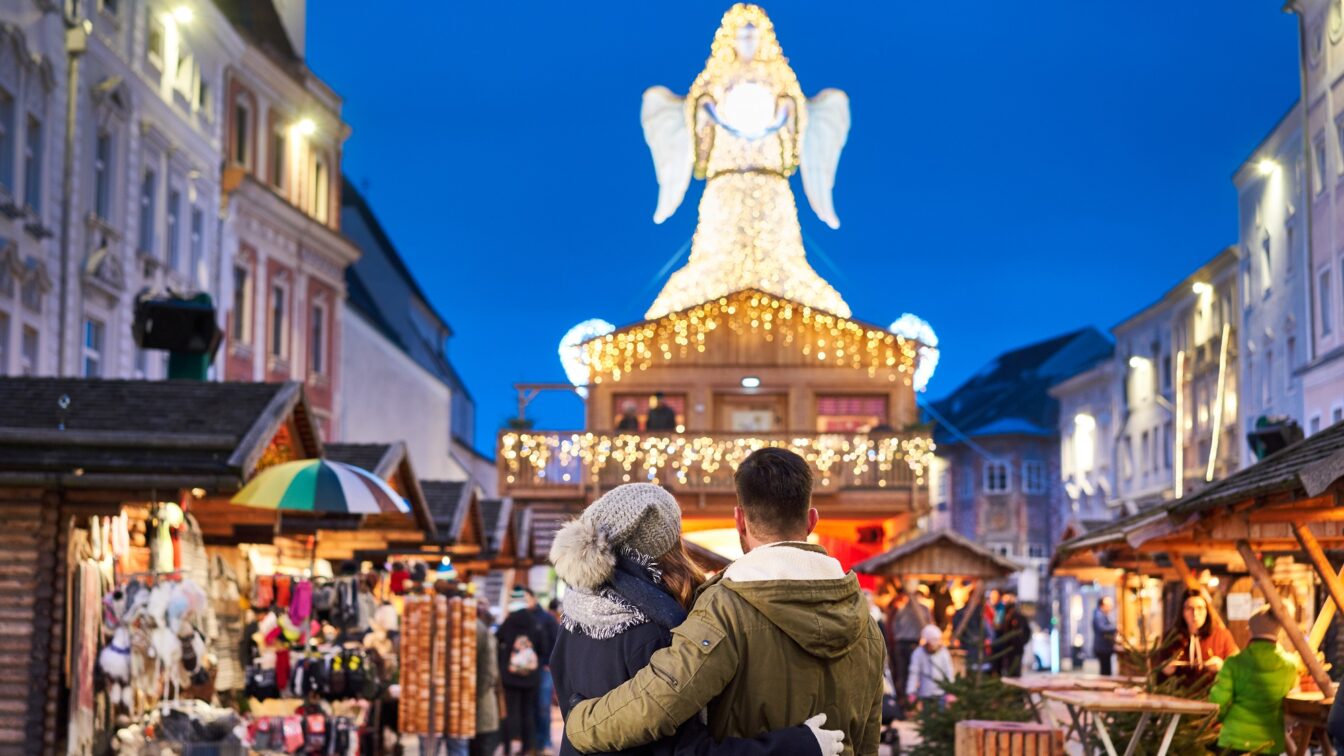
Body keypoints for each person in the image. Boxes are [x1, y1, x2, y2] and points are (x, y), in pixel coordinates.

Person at [564, 447, 886, 755]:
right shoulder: (866, 623)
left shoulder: (725, 609)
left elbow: (658, 702)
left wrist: (580, 722)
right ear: (812, 520)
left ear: (739, 520)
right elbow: (868, 740)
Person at [1208, 607, 1298, 754]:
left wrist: (1221, 720)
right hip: (1269, 743)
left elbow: (1217, 702)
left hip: (1234, 740)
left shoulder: (1233, 663)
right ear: (1278, 632)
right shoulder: (1290, 666)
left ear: (1250, 631)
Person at [498, 587, 546, 755]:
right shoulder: (535, 622)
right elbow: (543, 647)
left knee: (512, 712)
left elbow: (498, 643)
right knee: (528, 711)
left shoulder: (508, 623)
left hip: (510, 677)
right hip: (531, 677)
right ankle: (529, 748)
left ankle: (511, 747)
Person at [1159, 591, 1237, 690]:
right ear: (1182, 612)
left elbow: (1238, 668)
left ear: (1207, 611)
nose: (1195, 614)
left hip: (1214, 695)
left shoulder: (1222, 635)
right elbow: (1156, 676)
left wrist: (1222, 666)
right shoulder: (1171, 637)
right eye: (1189, 609)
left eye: (1200, 608)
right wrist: (1165, 671)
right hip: (1180, 696)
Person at [520, 586, 560, 755]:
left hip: (543, 669)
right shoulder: (519, 619)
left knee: (543, 706)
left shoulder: (547, 619)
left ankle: (545, 743)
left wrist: (548, 662)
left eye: (526, 599)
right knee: (528, 707)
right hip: (525, 669)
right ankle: (531, 744)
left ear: (533, 598)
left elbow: (557, 642)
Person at [887, 588, 932, 717]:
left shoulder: (903, 609)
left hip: (901, 644)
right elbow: (928, 626)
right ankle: (908, 706)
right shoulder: (922, 609)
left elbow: (895, 627)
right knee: (912, 675)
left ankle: (905, 706)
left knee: (904, 675)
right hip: (911, 644)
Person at [471, 601, 502, 756]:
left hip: (480, 703)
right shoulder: (483, 630)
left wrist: (475, 695)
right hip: (482, 702)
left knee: (480, 746)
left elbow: (489, 672)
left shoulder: (479, 629)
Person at [906, 625, 954, 712]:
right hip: (925, 693)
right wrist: (911, 691)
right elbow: (914, 673)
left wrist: (951, 690)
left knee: (941, 716)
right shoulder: (918, 653)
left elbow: (949, 671)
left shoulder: (944, 653)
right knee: (927, 718)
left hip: (941, 693)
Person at [990, 592, 1028, 676]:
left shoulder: (1018, 617)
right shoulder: (1001, 613)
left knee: (1014, 671)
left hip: (1015, 649)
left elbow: (1026, 631)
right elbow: (997, 627)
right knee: (1005, 670)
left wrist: (1021, 642)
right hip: (1004, 648)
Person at [1092, 597, 1117, 676]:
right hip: (1103, 647)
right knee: (1105, 671)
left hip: (1104, 647)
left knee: (1106, 670)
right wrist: (1115, 628)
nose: (1110, 607)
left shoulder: (1101, 615)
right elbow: (1102, 628)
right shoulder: (1099, 615)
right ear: (1103, 605)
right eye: (1109, 605)